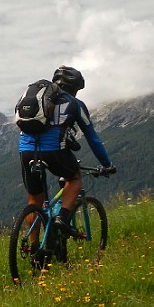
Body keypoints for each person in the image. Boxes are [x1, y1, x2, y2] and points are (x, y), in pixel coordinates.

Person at [19, 66, 116, 241]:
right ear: (74, 88)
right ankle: (61, 219)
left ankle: (34, 250)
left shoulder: (34, 99)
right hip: (54, 152)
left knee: (34, 201)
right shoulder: (75, 104)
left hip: (26, 152)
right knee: (74, 178)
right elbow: (92, 138)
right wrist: (107, 164)